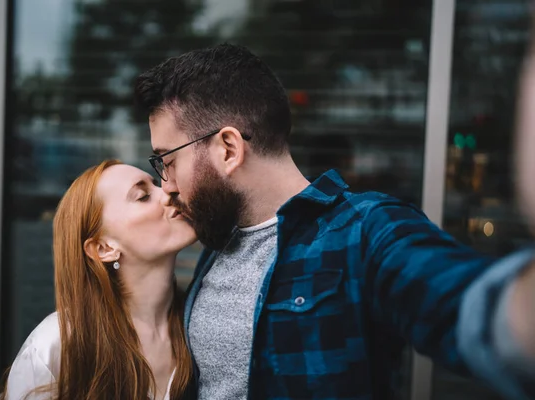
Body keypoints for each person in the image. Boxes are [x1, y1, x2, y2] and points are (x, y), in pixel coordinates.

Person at [133, 43, 535, 400]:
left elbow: (470, 309)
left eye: (168, 162)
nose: (165, 185)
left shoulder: (365, 231)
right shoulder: (217, 240)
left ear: (228, 149)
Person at [0, 160, 196, 400]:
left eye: (156, 184)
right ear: (104, 248)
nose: (168, 192)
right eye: (143, 196)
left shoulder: (199, 329)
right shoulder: (57, 345)